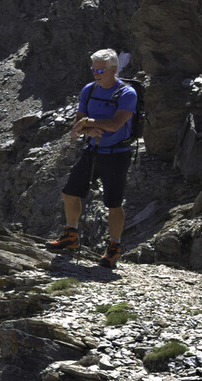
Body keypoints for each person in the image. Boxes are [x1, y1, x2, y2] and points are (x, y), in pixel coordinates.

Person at [48, 48, 138, 267]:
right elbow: (79, 122)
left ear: (113, 69)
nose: (96, 74)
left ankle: (114, 248)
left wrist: (89, 123)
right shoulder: (89, 90)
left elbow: (116, 124)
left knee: (113, 203)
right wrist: (86, 129)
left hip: (117, 154)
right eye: (93, 69)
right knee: (70, 192)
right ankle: (71, 235)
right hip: (93, 150)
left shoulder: (127, 93)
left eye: (100, 69)